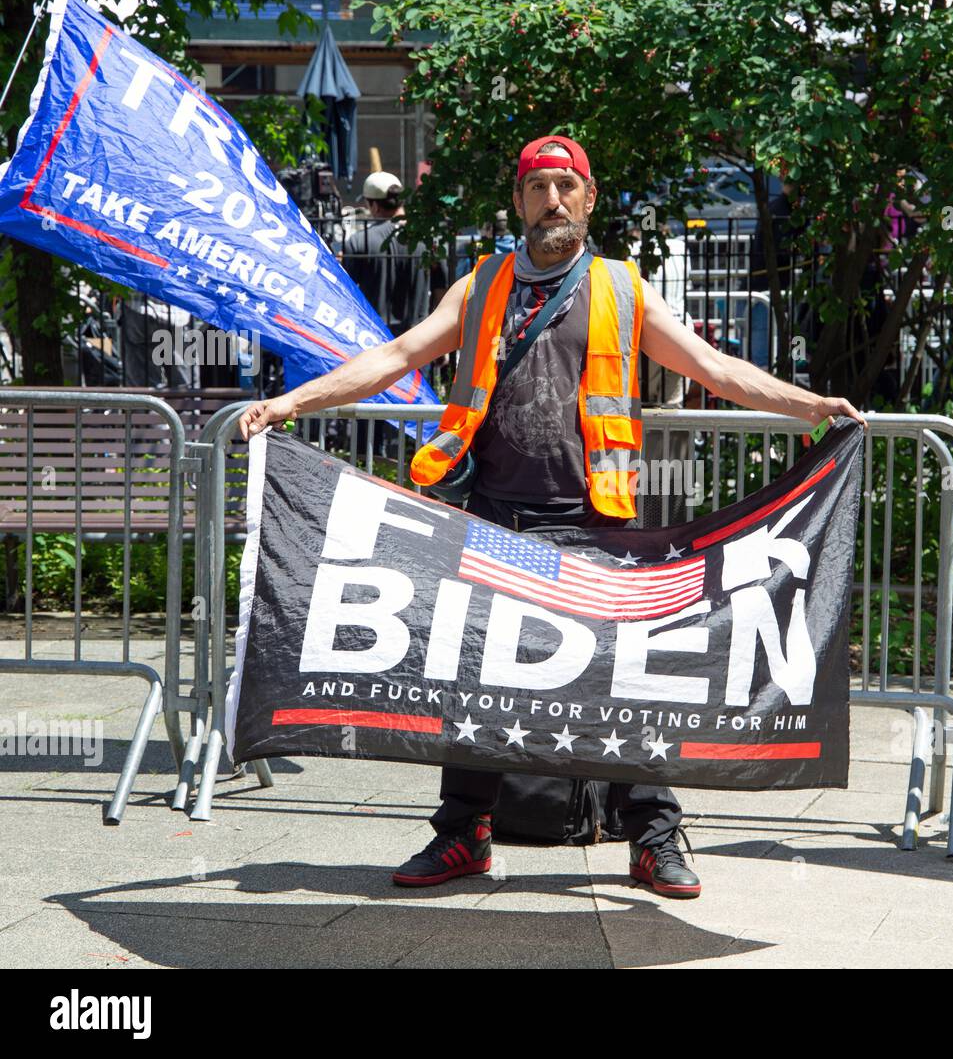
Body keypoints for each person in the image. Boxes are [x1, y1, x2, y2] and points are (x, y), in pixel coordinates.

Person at [239, 135, 866, 900]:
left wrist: (811, 407)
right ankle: (464, 834)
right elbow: (397, 354)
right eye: (539, 188)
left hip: (594, 522)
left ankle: (656, 836)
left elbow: (713, 368)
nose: (553, 200)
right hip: (492, 519)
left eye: (567, 186)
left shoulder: (622, 287)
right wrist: (289, 403)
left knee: (625, 681)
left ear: (590, 198)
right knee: (471, 678)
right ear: (519, 201)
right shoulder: (481, 286)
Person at [342, 171, 447, 338]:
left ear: (374, 206)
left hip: (373, 336)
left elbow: (345, 294)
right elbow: (441, 289)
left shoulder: (359, 242)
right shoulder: (428, 240)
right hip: (419, 337)